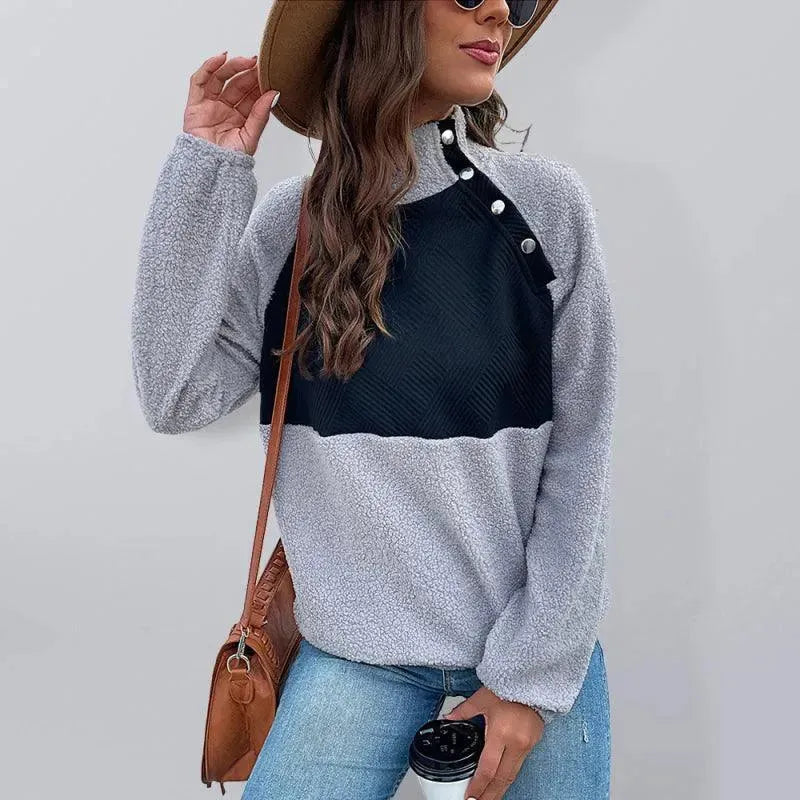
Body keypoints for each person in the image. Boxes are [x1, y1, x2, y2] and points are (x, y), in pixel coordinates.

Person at [131, 1, 618, 797]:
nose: (502, 10)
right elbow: (175, 395)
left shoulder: (547, 211)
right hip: (351, 660)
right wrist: (206, 171)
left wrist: (529, 680)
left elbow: (582, 461)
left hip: (533, 655)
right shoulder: (290, 227)